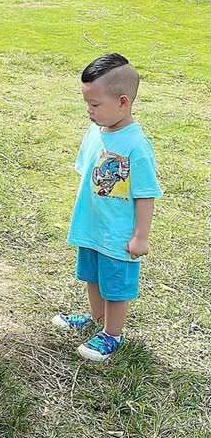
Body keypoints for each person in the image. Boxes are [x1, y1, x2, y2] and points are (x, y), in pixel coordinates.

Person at [53, 52, 162, 362]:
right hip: (92, 227)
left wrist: (141, 236)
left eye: (95, 105)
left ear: (123, 102)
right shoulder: (95, 131)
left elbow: (146, 195)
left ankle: (113, 334)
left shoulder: (136, 147)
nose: (89, 111)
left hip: (118, 234)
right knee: (93, 276)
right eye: (87, 103)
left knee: (115, 285)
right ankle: (96, 320)